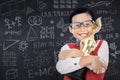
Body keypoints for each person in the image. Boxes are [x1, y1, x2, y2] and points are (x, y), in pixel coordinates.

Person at [56, 7, 109, 80]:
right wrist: (91, 59)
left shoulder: (102, 44)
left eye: (87, 24)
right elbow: (61, 68)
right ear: (71, 29)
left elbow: (101, 68)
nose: (82, 29)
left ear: (94, 26)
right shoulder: (67, 47)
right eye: (77, 25)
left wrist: (76, 54)